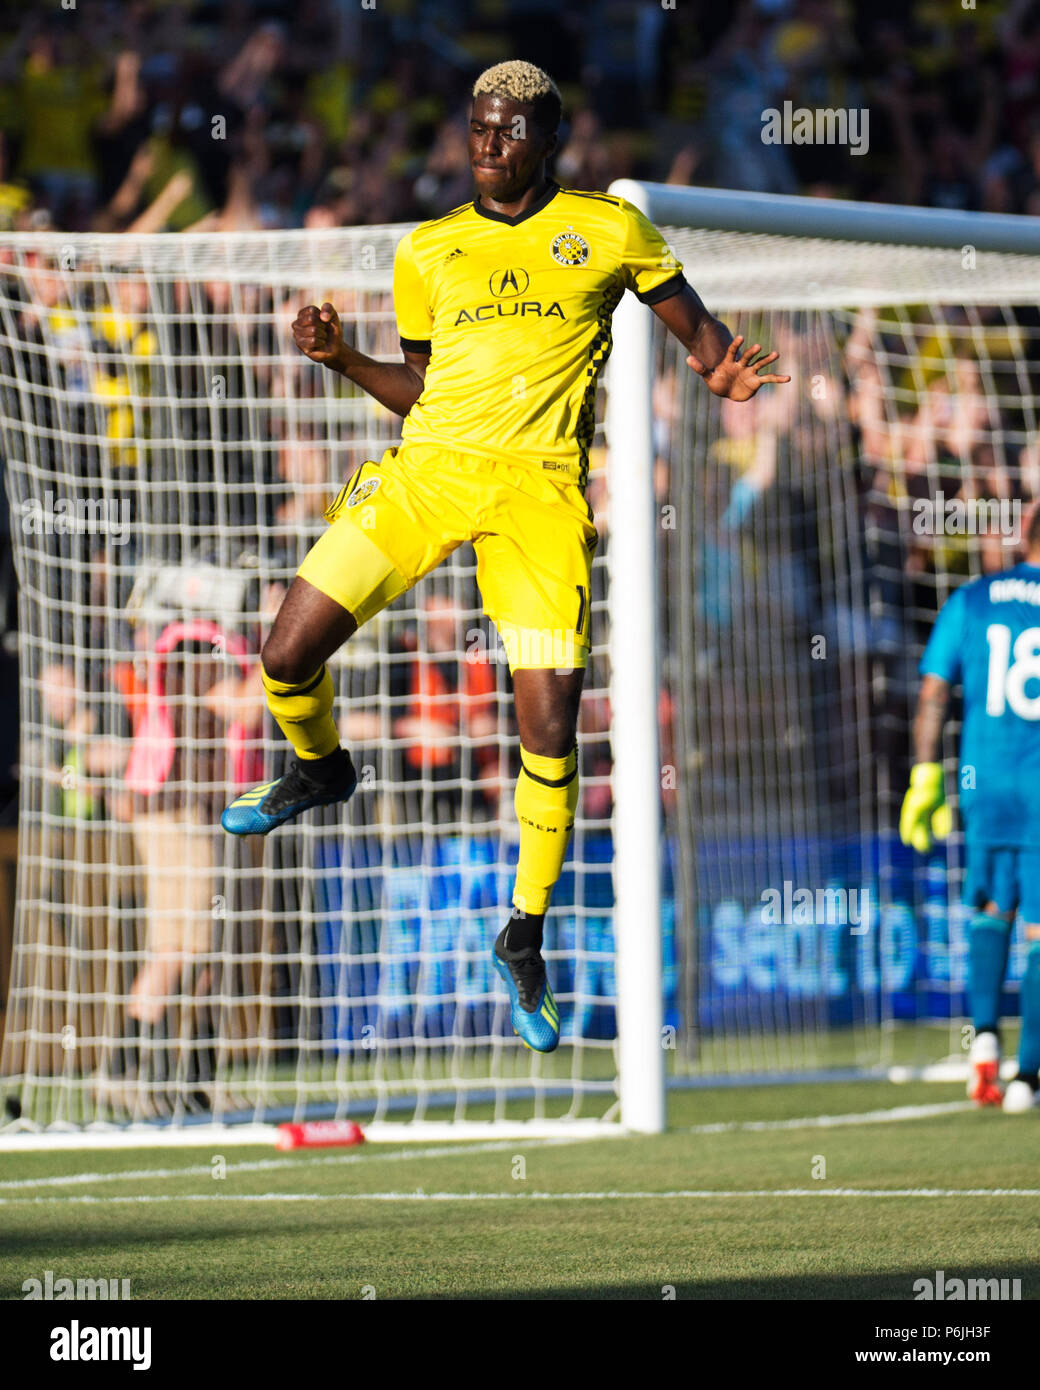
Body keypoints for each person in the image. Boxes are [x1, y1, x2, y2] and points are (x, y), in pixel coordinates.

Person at [222, 60, 789, 1052]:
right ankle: (319, 769)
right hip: (425, 475)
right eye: (476, 128)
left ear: (548, 139)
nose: (486, 144)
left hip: (538, 494)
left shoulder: (608, 229)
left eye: (508, 129)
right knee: (282, 655)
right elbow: (425, 390)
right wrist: (344, 360)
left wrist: (721, 367)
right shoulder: (428, 249)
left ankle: (523, 930)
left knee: (550, 716)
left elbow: (698, 336)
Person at [900, 505, 1040, 1112]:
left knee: (989, 906)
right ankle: (1028, 1077)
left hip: (982, 779)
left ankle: (983, 1047)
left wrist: (924, 776)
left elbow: (934, 691)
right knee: (1036, 927)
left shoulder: (972, 598)